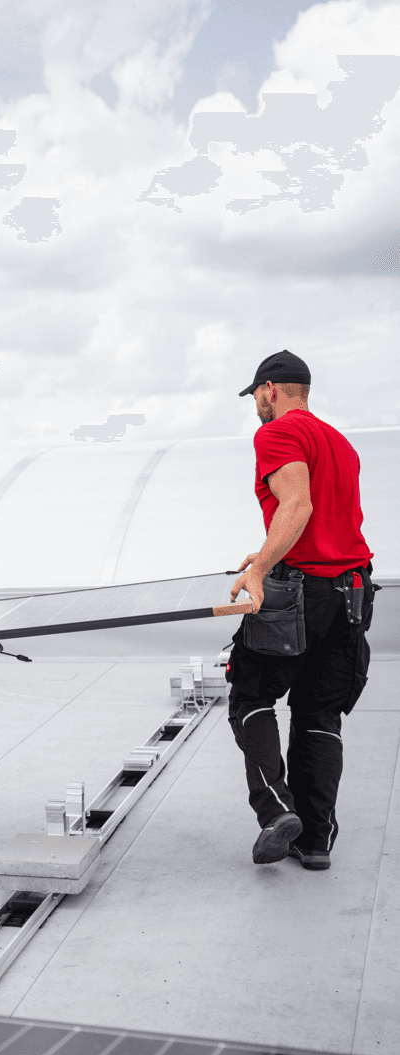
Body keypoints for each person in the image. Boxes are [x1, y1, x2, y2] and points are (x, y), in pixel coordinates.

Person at [228, 350, 375, 870]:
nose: (256, 408)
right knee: (318, 712)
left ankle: (276, 812)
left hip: (299, 593)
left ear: (270, 389)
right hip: (352, 594)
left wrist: (261, 569)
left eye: (256, 397)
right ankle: (315, 841)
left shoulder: (277, 433)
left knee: (250, 696)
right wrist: (267, 549)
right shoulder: (340, 442)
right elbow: (325, 522)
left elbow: (297, 505)